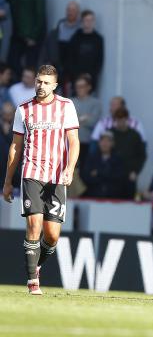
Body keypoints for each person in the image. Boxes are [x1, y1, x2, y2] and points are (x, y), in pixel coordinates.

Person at [2, 64, 79, 295]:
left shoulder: (66, 106)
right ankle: (32, 281)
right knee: (34, 226)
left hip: (57, 177)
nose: (41, 86)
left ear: (55, 85)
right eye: (38, 81)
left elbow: (74, 141)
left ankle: (36, 264)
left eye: (46, 82)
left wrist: (70, 169)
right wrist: (7, 181)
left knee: (52, 235)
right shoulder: (24, 109)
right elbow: (15, 147)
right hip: (31, 174)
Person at [0, 0, 46, 76]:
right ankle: (19, 85)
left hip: (32, 36)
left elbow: (40, 14)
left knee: (30, 66)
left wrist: (34, 36)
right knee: (11, 63)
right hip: (17, 35)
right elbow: (2, 0)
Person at [110, 108, 146, 199]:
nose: (120, 122)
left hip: (130, 176)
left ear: (127, 119)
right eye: (118, 120)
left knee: (129, 202)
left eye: (122, 120)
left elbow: (142, 155)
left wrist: (135, 171)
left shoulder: (135, 135)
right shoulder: (110, 134)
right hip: (112, 176)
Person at [39, 1, 80, 78]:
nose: (70, 12)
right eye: (68, 10)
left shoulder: (80, 31)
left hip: (73, 69)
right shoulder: (55, 31)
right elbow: (46, 48)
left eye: (73, 10)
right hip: (56, 67)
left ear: (78, 13)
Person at [80, 131, 125, 198]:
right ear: (99, 143)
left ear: (112, 143)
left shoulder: (118, 159)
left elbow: (118, 178)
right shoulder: (91, 158)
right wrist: (106, 173)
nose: (105, 143)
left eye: (108, 141)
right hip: (93, 196)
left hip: (112, 197)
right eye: (103, 140)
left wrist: (98, 173)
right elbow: (86, 177)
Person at [66, 10, 104, 88]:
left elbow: (99, 60)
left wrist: (91, 75)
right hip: (76, 78)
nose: (89, 22)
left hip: (91, 79)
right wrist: (75, 74)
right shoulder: (75, 37)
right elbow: (70, 57)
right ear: (82, 22)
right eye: (87, 20)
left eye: (91, 20)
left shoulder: (98, 39)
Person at [71, 73, 101, 167]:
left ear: (89, 87)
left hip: (87, 143)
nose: (79, 89)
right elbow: (65, 120)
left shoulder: (95, 103)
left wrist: (75, 117)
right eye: (77, 86)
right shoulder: (70, 101)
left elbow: (93, 122)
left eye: (82, 86)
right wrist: (83, 117)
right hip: (70, 142)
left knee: (84, 172)